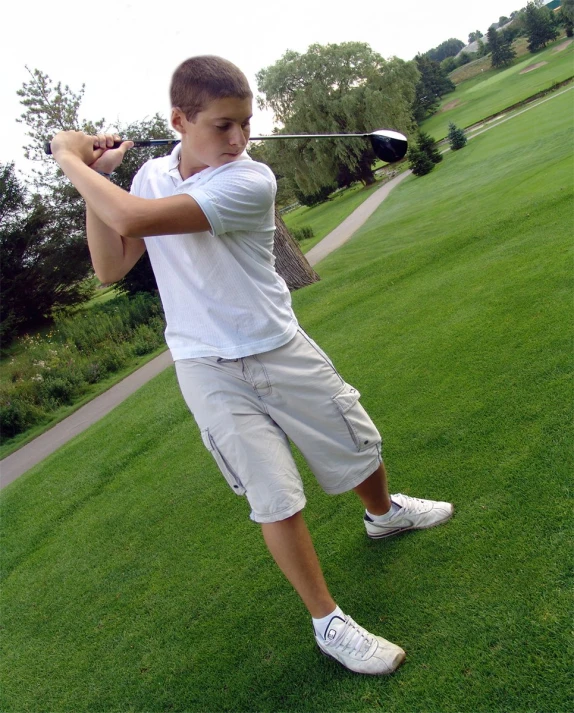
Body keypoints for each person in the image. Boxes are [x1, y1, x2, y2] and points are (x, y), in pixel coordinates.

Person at [50, 55, 453, 676]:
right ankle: (329, 622)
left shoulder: (248, 181)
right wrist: (96, 176)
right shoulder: (151, 178)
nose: (237, 139)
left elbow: (130, 218)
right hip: (203, 362)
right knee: (273, 496)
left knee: (355, 442)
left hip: (274, 343)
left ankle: (384, 515)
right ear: (179, 120)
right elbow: (111, 263)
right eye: (221, 125)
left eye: (244, 123)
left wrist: (70, 158)